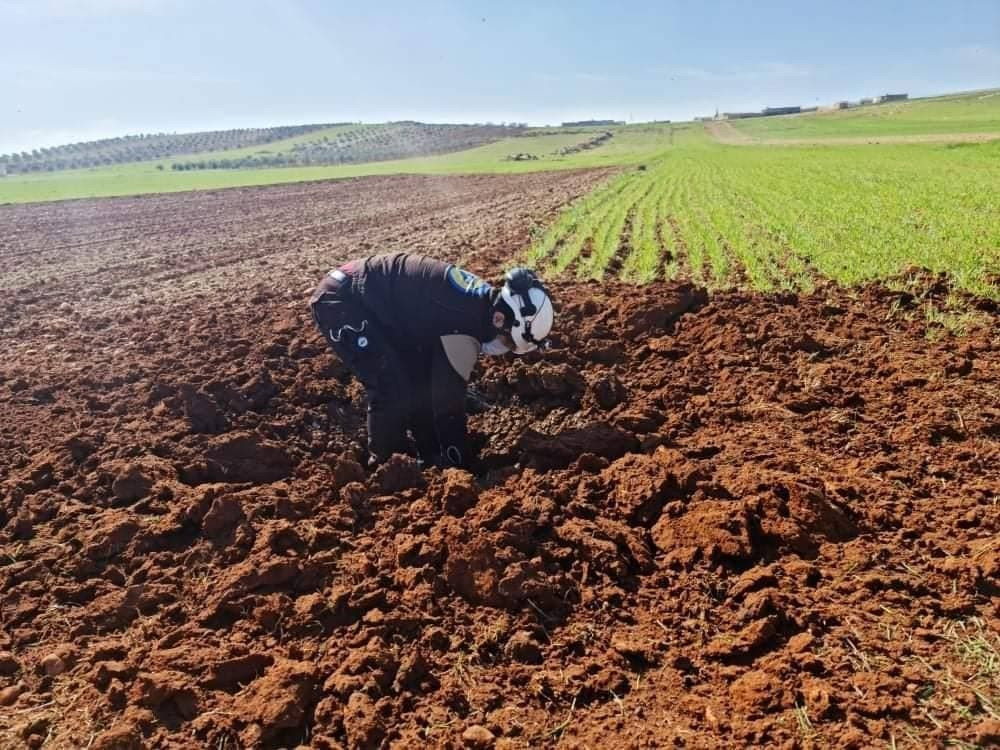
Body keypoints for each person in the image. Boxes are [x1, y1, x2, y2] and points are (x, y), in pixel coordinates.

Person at [309, 252, 554, 469]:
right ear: (503, 320)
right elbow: (448, 405)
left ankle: (426, 455)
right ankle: (389, 470)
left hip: (376, 304)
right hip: (344, 301)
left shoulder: (482, 305)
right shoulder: (466, 324)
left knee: (417, 377)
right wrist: (459, 461)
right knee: (390, 387)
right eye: (509, 342)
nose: (505, 348)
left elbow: (429, 388)